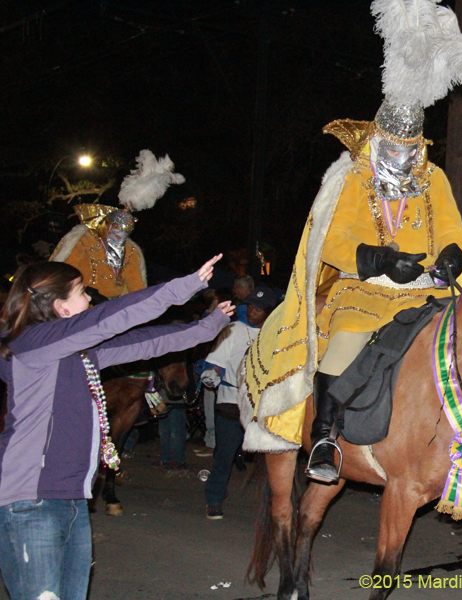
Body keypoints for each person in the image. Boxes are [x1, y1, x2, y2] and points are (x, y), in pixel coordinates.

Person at [242, 1, 462, 485]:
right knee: (345, 344)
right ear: (378, 141)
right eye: (393, 147)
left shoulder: (432, 177)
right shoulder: (356, 178)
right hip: (366, 290)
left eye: (409, 149)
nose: (401, 157)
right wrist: (377, 259)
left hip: (425, 289)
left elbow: (453, 228)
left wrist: (453, 255)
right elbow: (331, 240)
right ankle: (327, 438)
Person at [0, 255, 231, 600]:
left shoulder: (79, 354)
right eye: (82, 293)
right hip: (32, 502)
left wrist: (207, 326)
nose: (90, 299)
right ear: (62, 308)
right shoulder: (33, 344)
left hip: (73, 501)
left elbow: (147, 341)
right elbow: (112, 317)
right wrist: (184, 286)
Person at [50, 150, 185, 299]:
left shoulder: (130, 251)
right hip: (76, 305)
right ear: (106, 225)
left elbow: (136, 290)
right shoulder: (84, 240)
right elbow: (63, 273)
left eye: (125, 230)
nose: (119, 233)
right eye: (116, 228)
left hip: (109, 311)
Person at [202, 287, 278, 519]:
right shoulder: (234, 330)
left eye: (258, 308)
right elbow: (215, 361)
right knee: (224, 455)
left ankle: (273, 505)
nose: (252, 310)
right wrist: (212, 373)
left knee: (270, 461)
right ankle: (214, 500)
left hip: (262, 407)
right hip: (231, 403)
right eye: (250, 306)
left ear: (270, 312)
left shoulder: (277, 336)